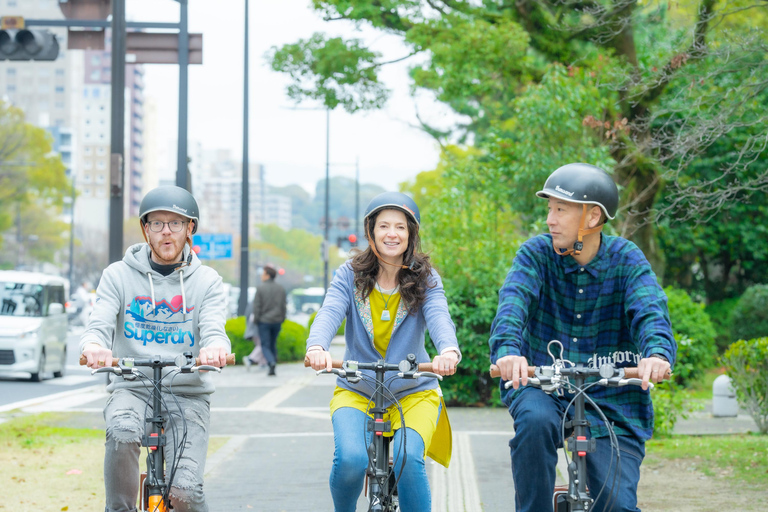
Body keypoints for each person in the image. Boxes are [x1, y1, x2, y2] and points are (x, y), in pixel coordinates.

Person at [489, 163, 677, 512]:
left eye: (560, 209)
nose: (550, 219)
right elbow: (513, 304)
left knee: (617, 506)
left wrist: (656, 354)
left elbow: (649, 309)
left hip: (611, 397)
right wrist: (508, 351)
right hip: (543, 386)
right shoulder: (536, 254)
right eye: (549, 209)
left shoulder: (627, 260)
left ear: (592, 218)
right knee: (534, 421)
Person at [305, 191, 461, 512]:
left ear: (411, 234)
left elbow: (439, 317)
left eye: (401, 227)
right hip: (357, 388)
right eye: (384, 226)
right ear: (371, 232)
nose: (392, 234)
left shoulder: (425, 278)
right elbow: (330, 311)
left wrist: (448, 351)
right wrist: (317, 346)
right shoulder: (349, 274)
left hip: (412, 391)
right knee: (350, 459)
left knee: (406, 459)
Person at [80, 185, 231, 512]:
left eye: (175, 223)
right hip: (132, 386)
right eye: (157, 223)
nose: (166, 232)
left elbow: (214, 328)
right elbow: (100, 322)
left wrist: (215, 349)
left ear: (190, 228)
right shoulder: (118, 275)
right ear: (145, 229)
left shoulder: (207, 281)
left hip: (188, 393)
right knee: (121, 432)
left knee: (185, 492)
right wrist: (94, 346)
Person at [251, 264, 287, 376]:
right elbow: (283, 306)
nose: (262, 275)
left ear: (267, 275)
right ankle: (273, 363)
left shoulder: (260, 288)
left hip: (264, 321)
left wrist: (256, 320)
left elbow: (257, 306)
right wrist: (282, 318)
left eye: (263, 273)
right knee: (272, 344)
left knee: (265, 345)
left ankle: (271, 362)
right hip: (277, 321)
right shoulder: (280, 288)